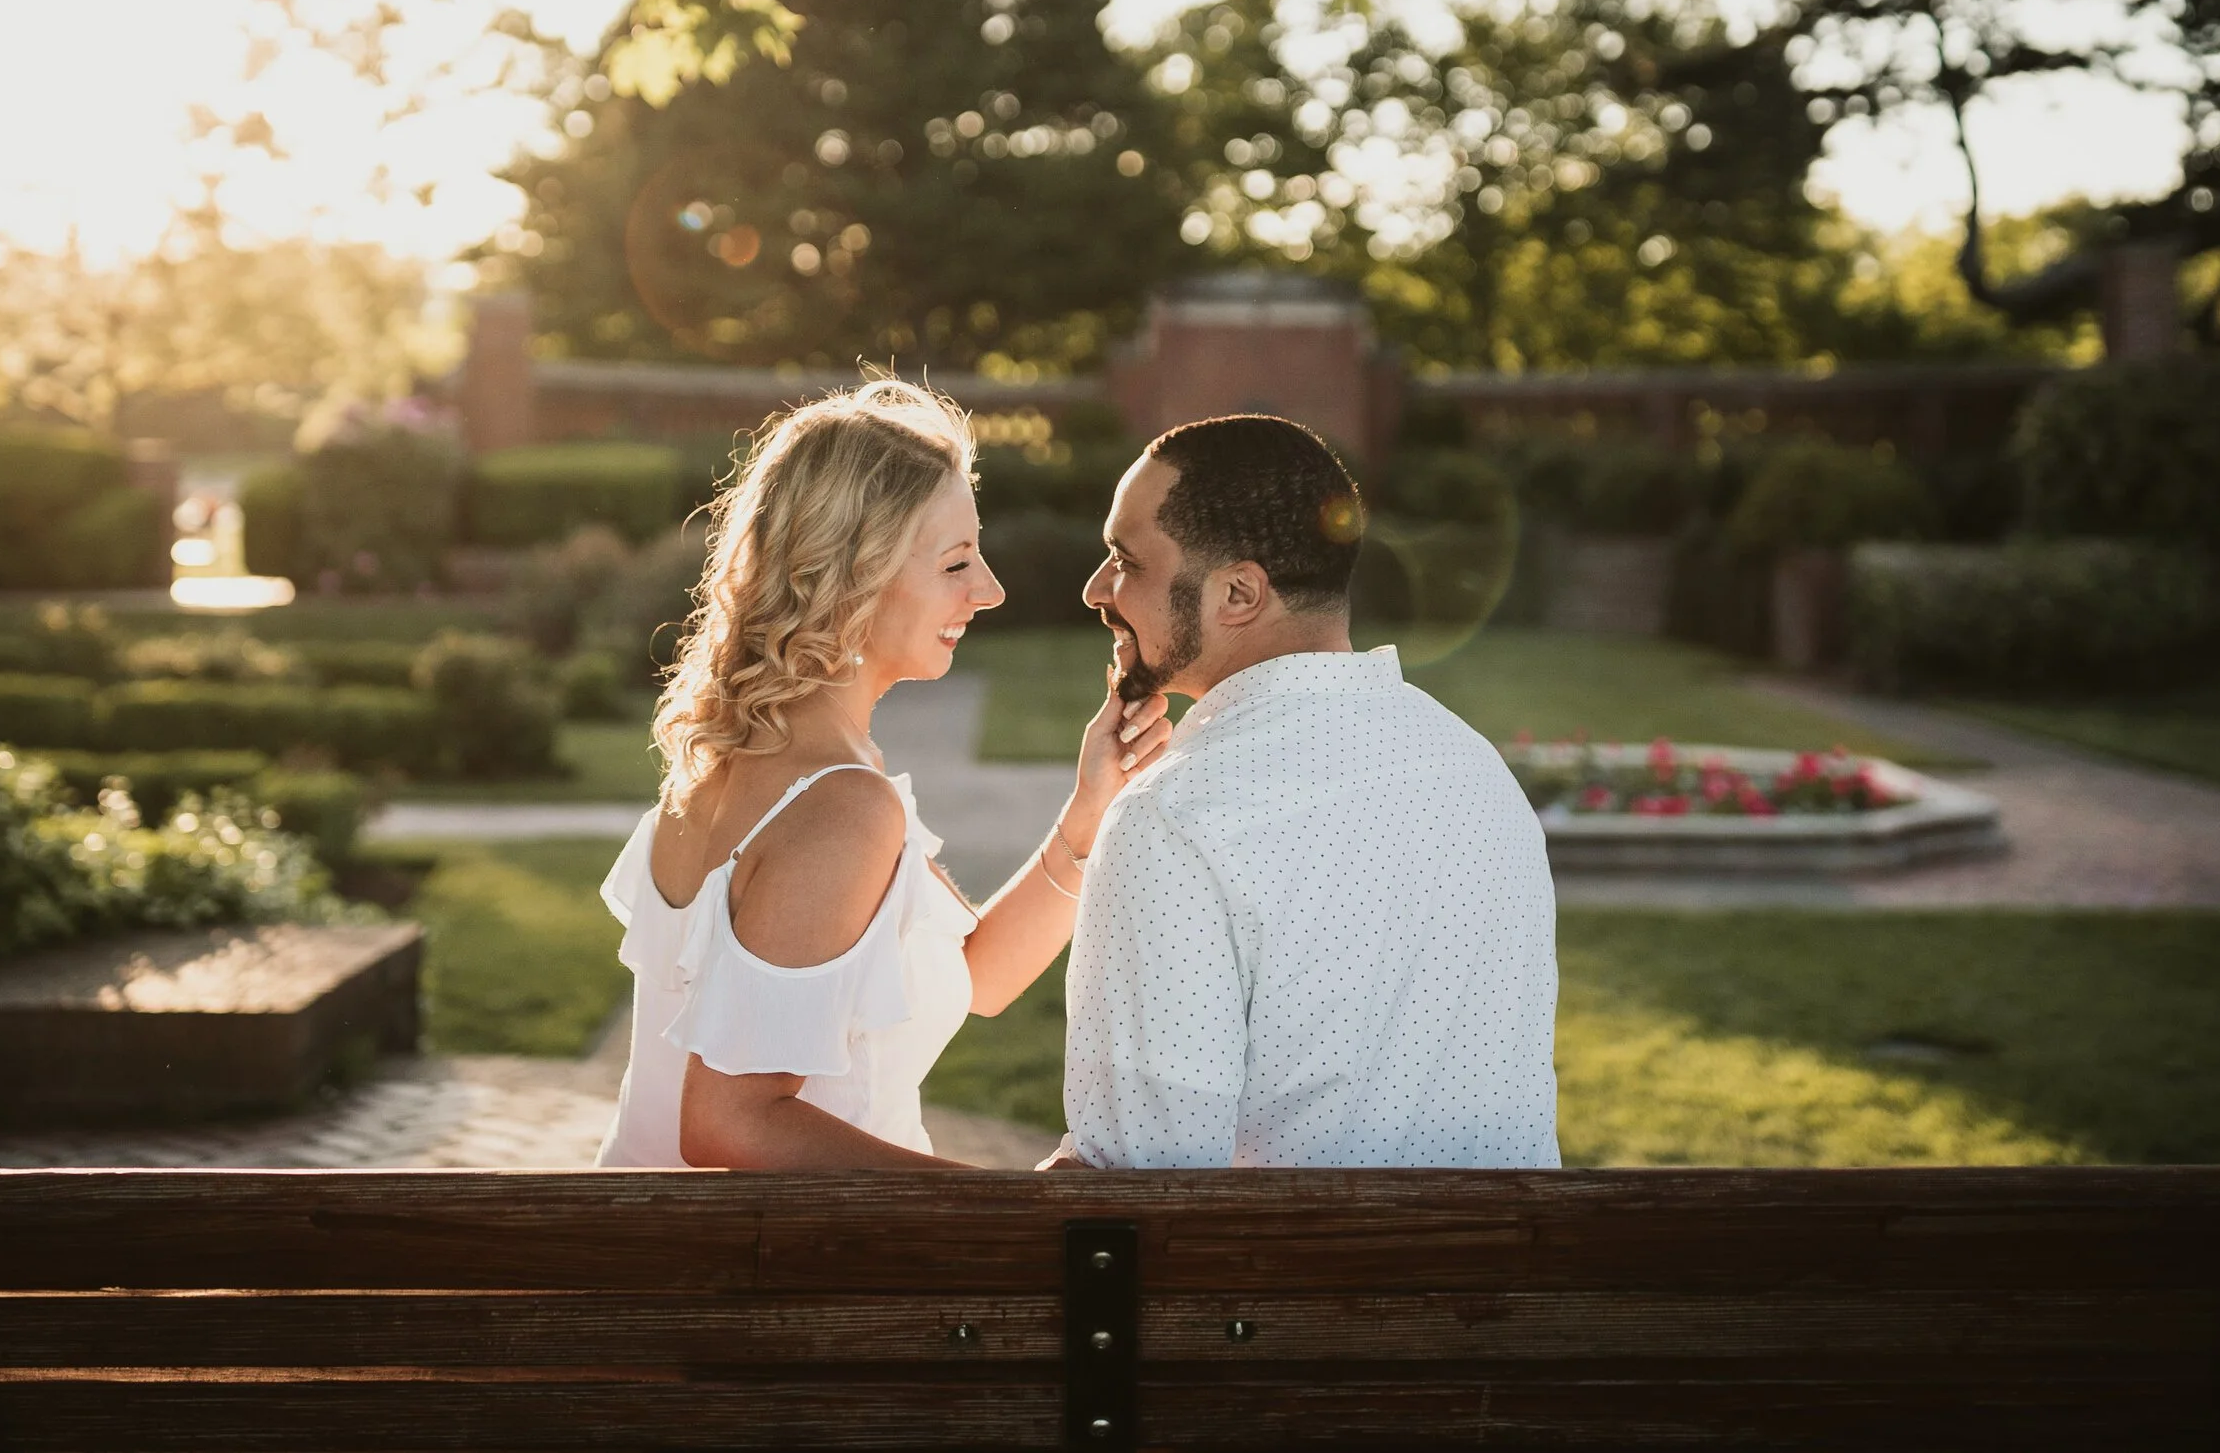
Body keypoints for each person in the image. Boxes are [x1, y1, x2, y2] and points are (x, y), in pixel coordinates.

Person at [593, 380, 1170, 1169]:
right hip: (785, 1277)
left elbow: (976, 979)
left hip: (680, 1263)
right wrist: (1010, 1216)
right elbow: (733, 1121)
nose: (990, 590)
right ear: (853, 575)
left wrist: (1088, 812)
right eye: (956, 562)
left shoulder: (741, 764)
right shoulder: (840, 807)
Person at [1056, 414, 1560, 1169]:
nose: (1097, 589)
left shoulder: (1175, 820)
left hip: (1303, 1284)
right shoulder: (1476, 771)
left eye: (1126, 561)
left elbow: (1139, 1190)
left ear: (1237, 592)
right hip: (1512, 1276)